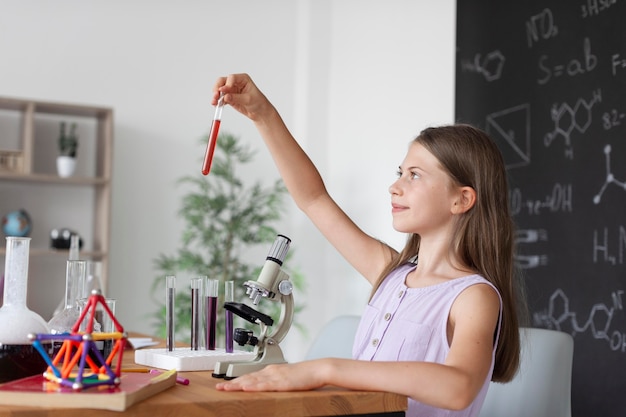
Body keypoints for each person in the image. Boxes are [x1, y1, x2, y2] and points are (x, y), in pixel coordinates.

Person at [212, 73, 525, 417]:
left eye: (414, 175)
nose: (395, 186)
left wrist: (325, 369)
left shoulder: (473, 297)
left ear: (461, 199)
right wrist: (264, 114)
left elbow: (459, 386)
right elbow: (313, 198)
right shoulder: (390, 272)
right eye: (400, 172)